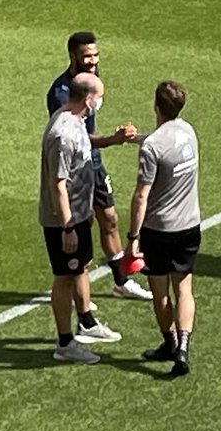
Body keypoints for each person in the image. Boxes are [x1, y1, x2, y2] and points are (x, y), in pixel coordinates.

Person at [47, 32, 153, 302]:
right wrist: (114, 140)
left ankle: (121, 280)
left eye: (96, 55)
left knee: (110, 219)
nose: (93, 61)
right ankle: (76, 288)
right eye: (87, 56)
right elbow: (76, 137)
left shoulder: (91, 77)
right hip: (75, 170)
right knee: (83, 227)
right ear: (73, 57)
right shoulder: (61, 93)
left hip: (93, 164)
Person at [39, 72, 124, 364]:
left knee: (79, 268)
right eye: (99, 96)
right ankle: (65, 344)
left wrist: (114, 140)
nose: (101, 101)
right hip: (65, 221)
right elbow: (57, 184)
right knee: (64, 277)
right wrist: (68, 227)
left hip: (78, 214)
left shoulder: (75, 122)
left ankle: (86, 322)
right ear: (88, 98)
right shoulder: (62, 133)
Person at [126, 82, 200, 377]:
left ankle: (168, 342)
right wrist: (137, 140)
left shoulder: (152, 147)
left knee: (160, 290)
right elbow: (163, 145)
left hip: (159, 229)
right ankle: (183, 347)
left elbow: (141, 195)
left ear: (155, 105)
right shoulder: (188, 132)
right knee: (184, 288)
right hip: (190, 225)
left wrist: (133, 238)